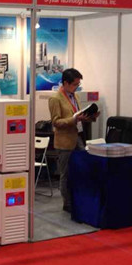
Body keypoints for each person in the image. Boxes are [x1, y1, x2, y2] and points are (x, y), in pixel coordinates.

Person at [48, 68, 99, 212]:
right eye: (75, 84)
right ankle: (68, 203)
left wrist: (90, 117)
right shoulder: (55, 99)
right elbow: (56, 122)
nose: (77, 87)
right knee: (66, 173)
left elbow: (78, 115)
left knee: (83, 168)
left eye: (78, 84)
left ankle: (79, 199)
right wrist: (74, 119)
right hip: (64, 141)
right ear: (65, 83)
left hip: (78, 137)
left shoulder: (75, 96)